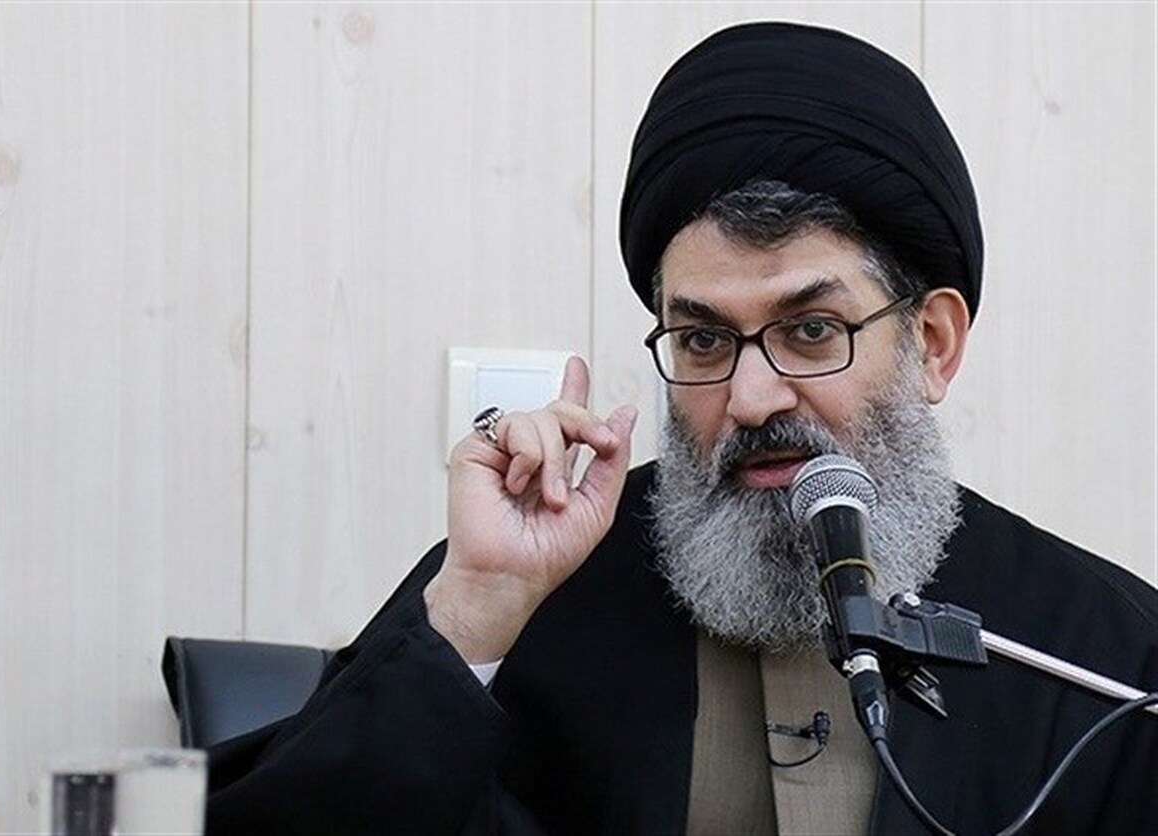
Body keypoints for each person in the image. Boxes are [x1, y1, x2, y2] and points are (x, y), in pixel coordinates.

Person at [205, 22, 1158, 835]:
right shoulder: (532, 599)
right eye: (703, 339)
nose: (751, 397)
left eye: (810, 330)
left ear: (933, 344)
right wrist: (474, 610)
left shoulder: (1099, 657)